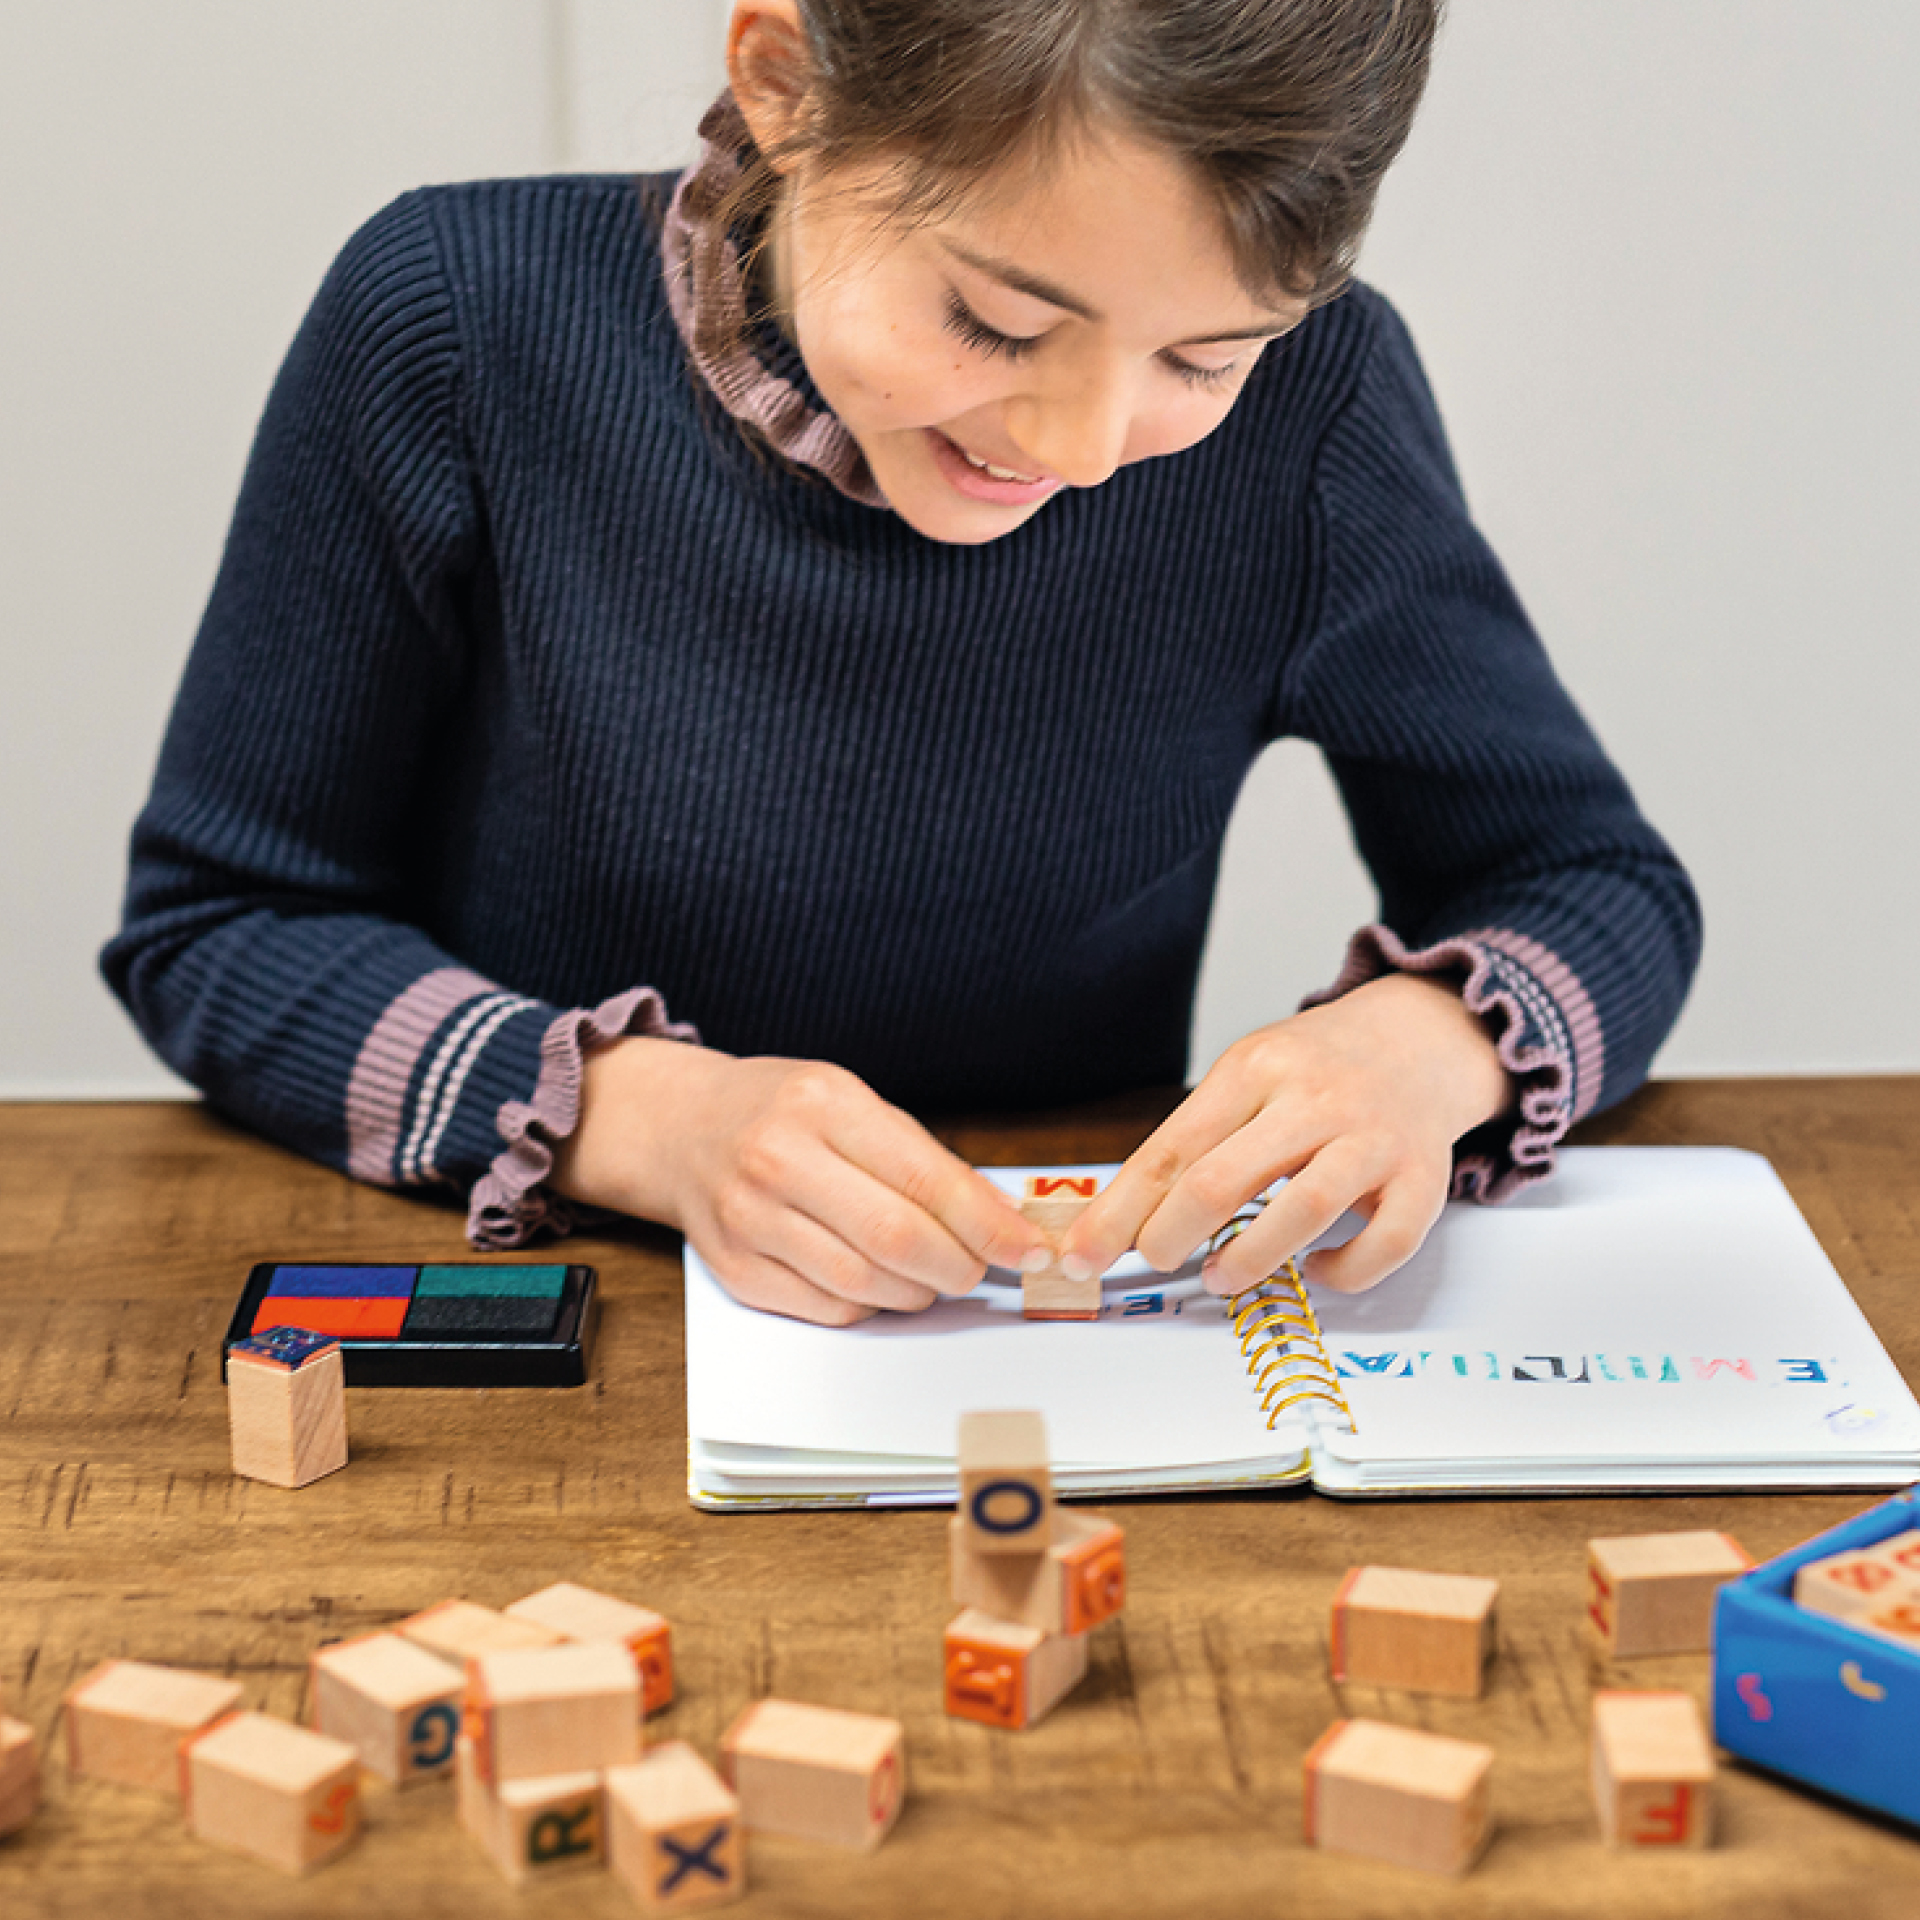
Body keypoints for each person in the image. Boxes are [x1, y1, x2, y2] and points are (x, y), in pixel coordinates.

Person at [103, 0, 1700, 1327]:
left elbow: (1594, 887)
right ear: (783, 82)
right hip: (557, 1331)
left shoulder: (1323, 412)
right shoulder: (455, 325)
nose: (1080, 444)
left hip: (1058, 1353)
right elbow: (224, 926)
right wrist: (643, 1123)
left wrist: (1429, 1050)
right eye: (1000, 324)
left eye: (1201, 359)